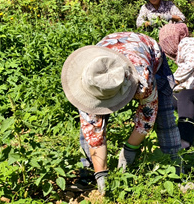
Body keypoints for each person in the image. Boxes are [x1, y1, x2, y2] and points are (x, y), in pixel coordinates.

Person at [61, 32, 181, 195]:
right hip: (109, 52)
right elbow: (94, 133)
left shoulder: (142, 80)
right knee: (90, 121)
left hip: (148, 53)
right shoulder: (87, 78)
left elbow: (147, 116)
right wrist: (102, 174)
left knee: (164, 116)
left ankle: (175, 169)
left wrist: (129, 149)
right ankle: (89, 173)